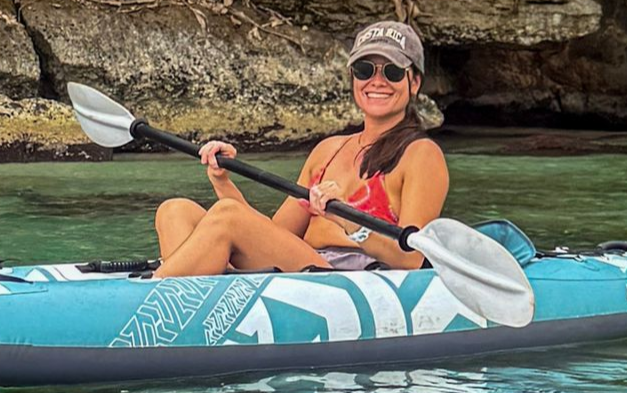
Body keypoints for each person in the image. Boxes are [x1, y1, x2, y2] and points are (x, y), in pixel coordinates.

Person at [151, 21, 447, 277]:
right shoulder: (327, 150)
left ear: (414, 82)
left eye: (393, 72)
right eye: (364, 69)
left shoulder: (421, 154)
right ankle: (189, 303)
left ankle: (152, 295)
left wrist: (348, 221)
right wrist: (222, 180)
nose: (377, 81)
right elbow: (274, 232)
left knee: (228, 216)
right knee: (174, 211)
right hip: (302, 268)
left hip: (350, 281)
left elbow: (411, 259)